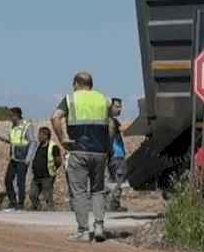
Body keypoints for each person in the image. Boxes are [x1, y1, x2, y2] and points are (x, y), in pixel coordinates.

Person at [52, 71, 115, 242]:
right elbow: (111, 125)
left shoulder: (70, 98)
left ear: (76, 84)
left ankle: (83, 231)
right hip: (100, 152)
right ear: (91, 84)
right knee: (98, 190)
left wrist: (63, 140)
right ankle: (99, 226)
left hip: (78, 150)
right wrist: (108, 147)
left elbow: (55, 117)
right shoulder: (104, 99)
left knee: (79, 192)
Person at [0, 107, 33, 211]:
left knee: (20, 182)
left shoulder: (27, 126)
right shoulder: (13, 127)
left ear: (16, 115)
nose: (10, 118)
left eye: (11, 116)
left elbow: (33, 142)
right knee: (8, 180)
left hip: (23, 159)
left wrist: (29, 157)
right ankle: (13, 202)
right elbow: (10, 140)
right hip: (14, 158)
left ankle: (20, 204)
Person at [26, 126, 63, 211]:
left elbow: (58, 161)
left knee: (47, 196)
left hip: (47, 176)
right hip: (36, 177)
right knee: (32, 195)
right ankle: (38, 208)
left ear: (46, 136)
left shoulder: (53, 146)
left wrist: (53, 169)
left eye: (41, 134)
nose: (38, 136)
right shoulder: (38, 146)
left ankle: (50, 211)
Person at [106, 98, 129, 212]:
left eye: (120, 106)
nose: (120, 109)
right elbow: (123, 129)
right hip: (117, 156)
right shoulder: (111, 122)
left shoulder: (110, 121)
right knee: (119, 181)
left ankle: (111, 204)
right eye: (117, 106)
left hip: (113, 156)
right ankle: (114, 205)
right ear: (110, 107)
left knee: (114, 181)